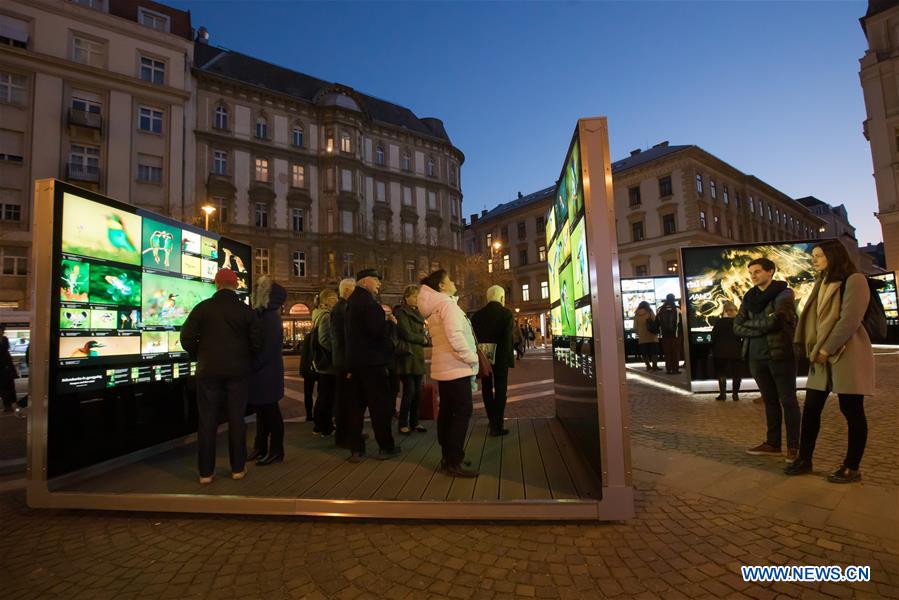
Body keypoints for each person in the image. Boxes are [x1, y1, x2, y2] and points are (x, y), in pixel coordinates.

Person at [785, 241, 875, 483]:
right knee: (812, 408)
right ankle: (805, 459)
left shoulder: (854, 280)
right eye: (813, 256)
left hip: (846, 353)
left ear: (833, 255)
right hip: (820, 355)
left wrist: (826, 348)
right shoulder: (821, 282)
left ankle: (852, 466)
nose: (814, 260)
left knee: (852, 410)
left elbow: (850, 320)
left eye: (819, 255)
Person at [181, 269, 261, 484]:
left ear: (216, 284)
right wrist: (244, 358)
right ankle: (237, 468)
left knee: (207, 420)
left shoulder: (202, 309)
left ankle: (205, 472)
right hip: (238, 372)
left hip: (208, 371)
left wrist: (200, 355)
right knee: (236, 418)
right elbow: (257, 343)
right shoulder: (246, 311)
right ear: (235, 285)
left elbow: (186, 337)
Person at [733, 257, 800, 462]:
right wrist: (765, 324)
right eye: (751, 272)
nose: (753, 276)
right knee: (769, 401)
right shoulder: (749, 297)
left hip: (779, 354)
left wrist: (753, 327)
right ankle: (773, 444)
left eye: (758, 271)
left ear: (770, 272)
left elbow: (779, 320)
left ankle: (793, 448)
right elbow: (737, 326)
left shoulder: (784, 293)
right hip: (755, 357)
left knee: (788, 401)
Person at [418, 269, 479, 478]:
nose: (453, 282)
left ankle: (448, 457)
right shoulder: (447, 305)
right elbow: (455, 337)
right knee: (462, 413)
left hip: (445, 369)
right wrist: (472, 358)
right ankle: (454, 460)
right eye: (449, 279)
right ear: (442, 286)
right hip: (456, 367)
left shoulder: (436, 308)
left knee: (447, 412)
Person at [345, 269, 400, 461]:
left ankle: (356, 449)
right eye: (376, 280)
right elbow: (377, 333)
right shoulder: (369, 304)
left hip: (356, 363)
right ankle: (386, 446)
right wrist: (391, 324)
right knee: (380, 408)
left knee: (356, 408)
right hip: (373, 364)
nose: (379, 284)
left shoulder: (351, 303)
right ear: (366, 281)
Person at [248, 277, 287, 465]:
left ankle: (276, 450)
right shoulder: (265, 315)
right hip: (265, 372)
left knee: (271, 413)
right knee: (263, 413)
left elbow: (267, 349)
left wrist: (252, 365)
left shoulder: (269, 317)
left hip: (265, 373)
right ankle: (261, 447)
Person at [471, 285, 515, 437]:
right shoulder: (506, 314)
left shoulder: (477, 315)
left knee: (487, 389)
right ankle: (498, 423)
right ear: (502, 298)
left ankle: (492, 420)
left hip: (485, 358)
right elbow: (508, 339)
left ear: (488, 297)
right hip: (501, 358)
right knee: (501, 389)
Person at [394, 285, 429, 435]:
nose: (417, 299)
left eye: (418, 297)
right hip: (407, 356)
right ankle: (403, 422)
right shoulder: (401, 312)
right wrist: (423, 339)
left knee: (418, 392)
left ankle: (415, 422)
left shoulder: (418, 312)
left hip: (417, 356)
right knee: (409, 391)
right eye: (414, 296)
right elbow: (406, 334)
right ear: (407, 297)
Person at [331, 278, 355, 448]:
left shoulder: (340, 308)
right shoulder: (342, 309)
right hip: (344, 362)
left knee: (345, 400)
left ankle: (347, 434)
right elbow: (343, 340)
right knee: (345, 400)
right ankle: (344, 436)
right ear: (346, 291)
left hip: (342, 360)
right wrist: (348, 365)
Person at [311, 289, 338, 437]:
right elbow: (324, 339)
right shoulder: (326, 316)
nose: (336, 300)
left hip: (319, 362)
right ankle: (325, 426)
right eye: (334, 297)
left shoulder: (317, 314)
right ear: (326, 300)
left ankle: (318, 425)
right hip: (327, 363)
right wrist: (335, 352)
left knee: (322, 394)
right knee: (327, 396)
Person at [711, 301, 743, 401]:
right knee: (736, 373)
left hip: (720, 351)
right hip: (736, 351)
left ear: (725, 311)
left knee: (721, 373)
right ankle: (735, 395)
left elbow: (713, 337)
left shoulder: (719, 322)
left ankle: (723, 394)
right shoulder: (739, 322)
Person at [299, 295, 318, 422]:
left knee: (308, 393)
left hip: (307, 370)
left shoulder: (308, 336)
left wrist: (303, 370)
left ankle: (309, 415)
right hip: (316, 369)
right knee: (321, 393)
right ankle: (313, 414)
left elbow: (304, 355)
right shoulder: (315, 336)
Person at [656, 294, 683, 374]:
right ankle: (675, 369)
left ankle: (669, 369)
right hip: (676, 335)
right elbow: (681, 323)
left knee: (667, 353)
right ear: (673, 299)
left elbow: (657, 322)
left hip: (664, 335)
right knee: (676, 352)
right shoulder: (677, 309)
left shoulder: (660, 309)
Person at [633, 301, 659, 371]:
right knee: (654, 352)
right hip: (652, 335)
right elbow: (655, 321)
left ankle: (648, 365)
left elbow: (635, 327)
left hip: (642, 337)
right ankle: (654, 366)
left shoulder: (636, 314)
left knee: (644, 353)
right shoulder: (650, 312)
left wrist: (639, 333)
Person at [0, 326, 17, 413]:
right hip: (4, 367)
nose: (2, 332)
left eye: (2, 331)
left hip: (6, 367)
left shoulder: (5, 339)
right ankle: (7, 405)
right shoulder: (4, 339)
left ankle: (8, 405)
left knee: (8, 387)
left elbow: (5, 350)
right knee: (4, 387)